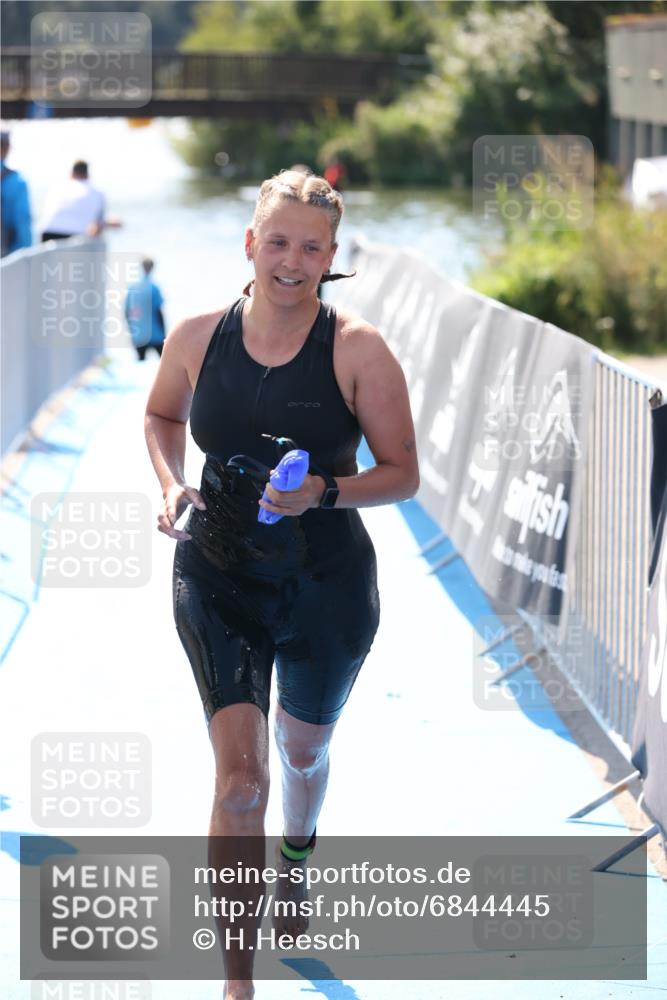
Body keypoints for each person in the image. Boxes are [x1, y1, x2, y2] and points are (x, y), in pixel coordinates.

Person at [144, 169, 419, 1000]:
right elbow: (159, 417)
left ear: (331, 257)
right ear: (249, 243)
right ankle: (238, 980)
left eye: (310, 246)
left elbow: (402, 474)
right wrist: (167, 482)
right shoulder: (195, 334)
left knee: (301, 756)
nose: (291, 260)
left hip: (324, 586)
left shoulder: (358, 350)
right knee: (240, 784)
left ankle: (297, 856)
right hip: (217, 572)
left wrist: (323, 492)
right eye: (278, 240)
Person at [40, 160, 121, 241]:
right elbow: (99, 224)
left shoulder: (56, 189)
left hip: (46, 234)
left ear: (71, 173)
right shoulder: (97, 193)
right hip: (75, 237)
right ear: (87, 174)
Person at [124, 257, 166, 361]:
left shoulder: (132, 288)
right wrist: (165, 334)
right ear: (152, 268)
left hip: (139, 335)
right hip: (156, 334)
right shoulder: (154, 288)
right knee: (164, 362)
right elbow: (159, 312)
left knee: (140, 362)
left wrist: (132, 331)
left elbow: (127, 313)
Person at [0, 128, 32, 257]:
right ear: (7, 148)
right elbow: (22, 220)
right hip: (5, 254)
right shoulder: (16, 181)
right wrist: (27, 252)